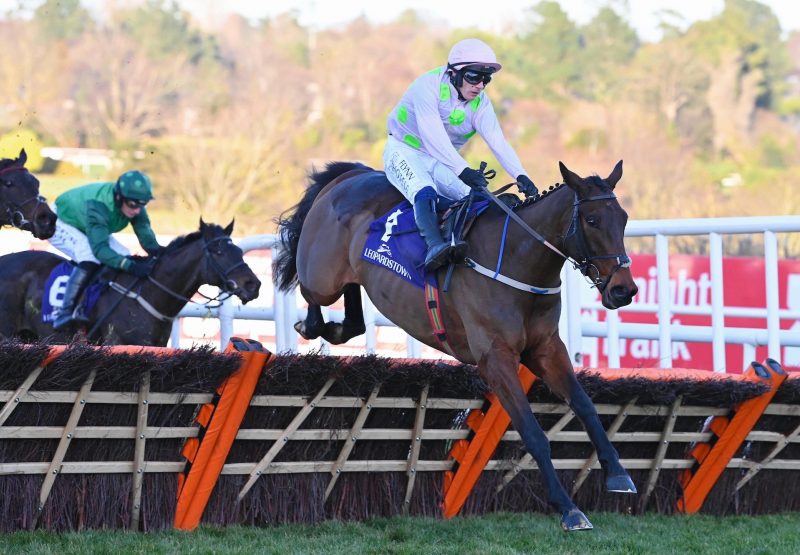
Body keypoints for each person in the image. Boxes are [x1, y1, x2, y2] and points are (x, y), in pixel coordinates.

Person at [384, 38, 538, 271]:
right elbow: (433, 137)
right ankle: (435, 246)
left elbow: (498, 142)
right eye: (474, 77)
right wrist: (463, 170)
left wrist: (521, 176)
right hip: (404, 150)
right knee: (424, 190)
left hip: (440, 159)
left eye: (486, 79)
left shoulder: (482, 105)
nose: (480, 85)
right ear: (453, 73)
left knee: (477, 197)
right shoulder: (426, 86)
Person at [48, 170, 162, 330]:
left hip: (87, 223)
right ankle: (64, 314)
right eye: (132, 205)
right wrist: (132, 267)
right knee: (90, 257)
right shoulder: (100, 205)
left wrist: (159, 254)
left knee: (124, 254)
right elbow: (100, 250)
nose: (137, 210)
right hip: (60, 220)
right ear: (118, 197)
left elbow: (145, 235)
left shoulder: (133, 202)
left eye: (142, 205)